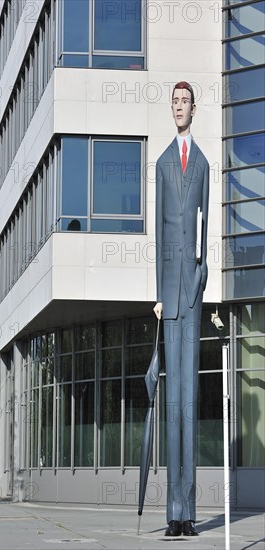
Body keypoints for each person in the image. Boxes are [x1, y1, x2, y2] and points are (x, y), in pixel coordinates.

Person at [154, 81, 209, 537]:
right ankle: (172, 513)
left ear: (194, 108)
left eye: (184, 101)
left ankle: (189, 513)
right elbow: (159, 234)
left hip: (192, 293)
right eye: (173, 102)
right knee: (173, 406)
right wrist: (159, 292)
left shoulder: (205, 165)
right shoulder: (162, 163)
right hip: (169, 296)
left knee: (189, 404)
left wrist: (202, 275)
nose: (179, 107)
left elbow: (205, 227)